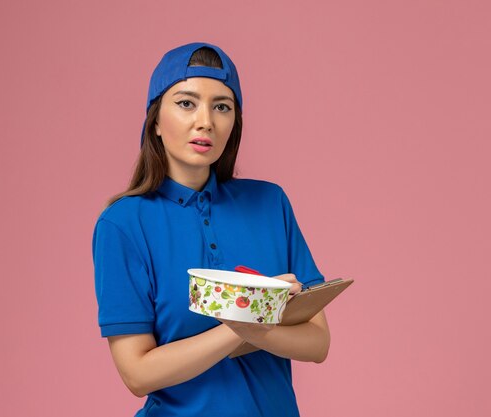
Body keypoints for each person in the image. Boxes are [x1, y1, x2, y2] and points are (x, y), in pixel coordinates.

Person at [92, 42, 330, 417]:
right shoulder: (123, 224)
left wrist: (253, 327)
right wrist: (252, 316)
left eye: (222, 106)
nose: (206, 121)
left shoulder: (270, 204)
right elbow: (137, 373)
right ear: (155, 120)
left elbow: (317, 343)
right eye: (187, 103)